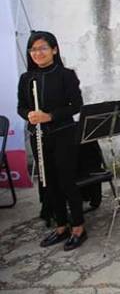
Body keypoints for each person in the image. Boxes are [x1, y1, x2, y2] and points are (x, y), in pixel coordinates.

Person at [17, 31, 88, 251]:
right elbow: (21, 106)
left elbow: (76, 106)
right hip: (39, 136)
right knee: (49, 183)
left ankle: (78, 227)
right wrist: (29, 114)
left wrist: (49, 116)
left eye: (42, 48)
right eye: (33, 49)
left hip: (63, 134)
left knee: (67, 180)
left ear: (54, 50)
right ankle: (61, 226)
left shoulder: (66, 75)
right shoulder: (27, 78)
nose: (37, 53)